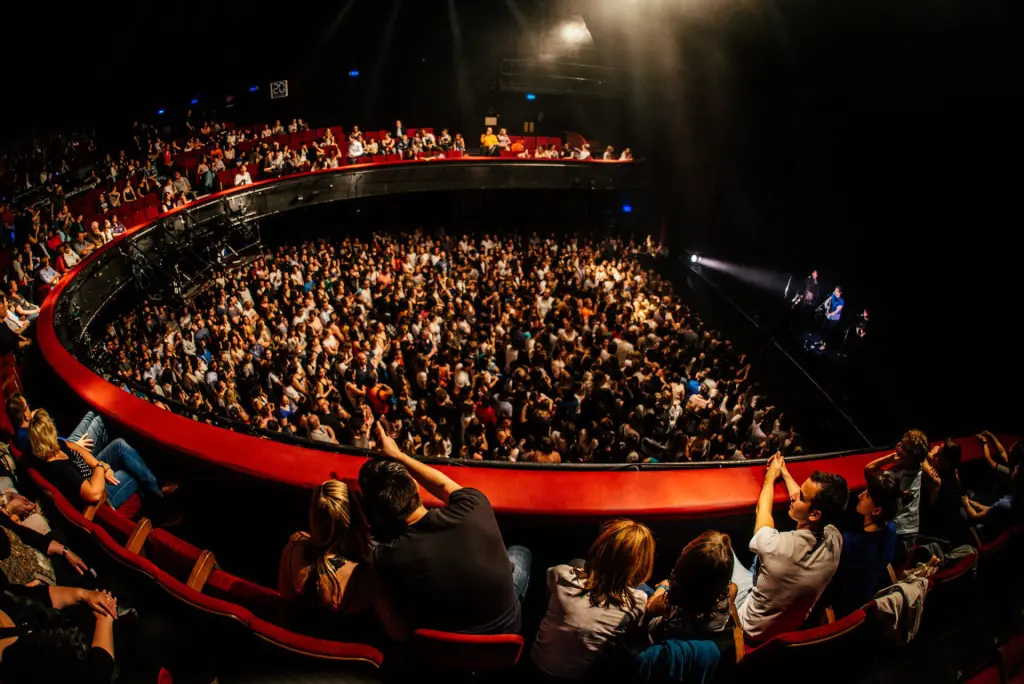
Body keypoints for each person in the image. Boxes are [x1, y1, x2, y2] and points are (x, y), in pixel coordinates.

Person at [358, 422, 530, 638]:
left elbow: (397, 630)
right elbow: (443, 486)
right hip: (505, 632)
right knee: (521, 552)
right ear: (415, 486)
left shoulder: (384, 557)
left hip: (442, 653)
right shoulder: (473, 505)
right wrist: (399, 455)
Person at [732, 454, 848, 643]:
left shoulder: (777, 547)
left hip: (750, 628)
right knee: (758, 559)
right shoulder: (836, 538)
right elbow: (810, 508)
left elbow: (763, 511)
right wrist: (785, 473)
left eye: (800, 496)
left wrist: (771, 476)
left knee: (723, 547)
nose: (793, 496)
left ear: (815, 514)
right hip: (788, 627)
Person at [531, 519, 654, 681]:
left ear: (599, 547)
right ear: (641, 564)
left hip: (538, 666)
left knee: (575, 564)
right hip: (585, 676)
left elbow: (548, 592)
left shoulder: (562, 574)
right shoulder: (639, 600)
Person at [278, 480, 400, 637]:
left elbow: (286, 601)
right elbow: (397, 632)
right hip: (350, 657)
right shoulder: (369, 569)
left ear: (313, 516)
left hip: (299, 652)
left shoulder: (294, 546)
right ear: (353, 516)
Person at [29, 409, 175, 510]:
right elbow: (93, 493)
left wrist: (98, 465)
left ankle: (155, 485)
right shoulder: (58, 468)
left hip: (94, 474)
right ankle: (158, 496)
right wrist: (102, 468)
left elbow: (79, 449)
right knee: (130, 473)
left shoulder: (57, 445)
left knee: (119, 445)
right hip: (99, 497)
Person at [0, 583, 120, 684]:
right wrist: (105, 619)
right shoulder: (16, 661)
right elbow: (99, 675)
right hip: (100, 655)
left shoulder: (5, 599)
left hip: (74, 622)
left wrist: (85, 594)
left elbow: (40, 595)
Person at [644, 530, 740, 654]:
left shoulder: (670, 606)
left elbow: (650, 606)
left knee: (643, 592)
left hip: (664, 642)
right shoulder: (730, 591)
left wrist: (663, 588)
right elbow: (732, 587)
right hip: (707, 638)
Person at [824, 470, 900, 616]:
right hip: (866, 598)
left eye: (867, 495)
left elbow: (832, 578)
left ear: (877, 510)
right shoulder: (891, 530)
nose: (860, 495)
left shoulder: (850, 541)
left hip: (843, 606)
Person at [865, 429, 929, 557]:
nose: (898, 446)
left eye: (902, 446)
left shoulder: (895, 476)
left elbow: (869, 469)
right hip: (911, 528)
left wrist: (890, 458)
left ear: (909, 456)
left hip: (897, 531)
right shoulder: (918, 467)